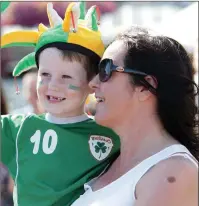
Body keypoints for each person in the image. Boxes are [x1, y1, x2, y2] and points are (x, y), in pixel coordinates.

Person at [1, 2, 120, 206]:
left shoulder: (113, 133)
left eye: (66, 77)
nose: (53, 86)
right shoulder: (17, 129)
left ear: (92, 82)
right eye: (45, 74)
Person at [71, 25, 199, 206]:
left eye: (105, 70)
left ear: (145, 87)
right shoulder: (105, 163)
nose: (93, 83)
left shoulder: (174, 173)